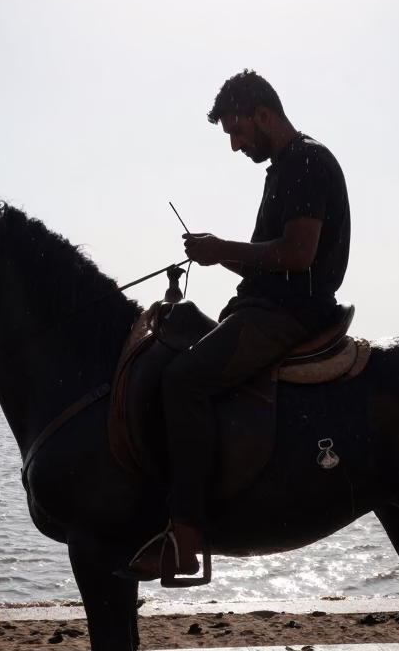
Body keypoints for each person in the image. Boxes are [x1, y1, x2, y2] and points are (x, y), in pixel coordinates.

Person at [124, 69, 351, 584]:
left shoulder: (307, 162)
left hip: (288, 315)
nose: (235, 144)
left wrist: (221, 248)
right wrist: (214, 254)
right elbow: (267, 260)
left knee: (182, 381)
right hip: (266, 307)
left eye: (237, 130)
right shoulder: (285, 168)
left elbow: (298, 255)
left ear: (263, 115)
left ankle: (185, 539)